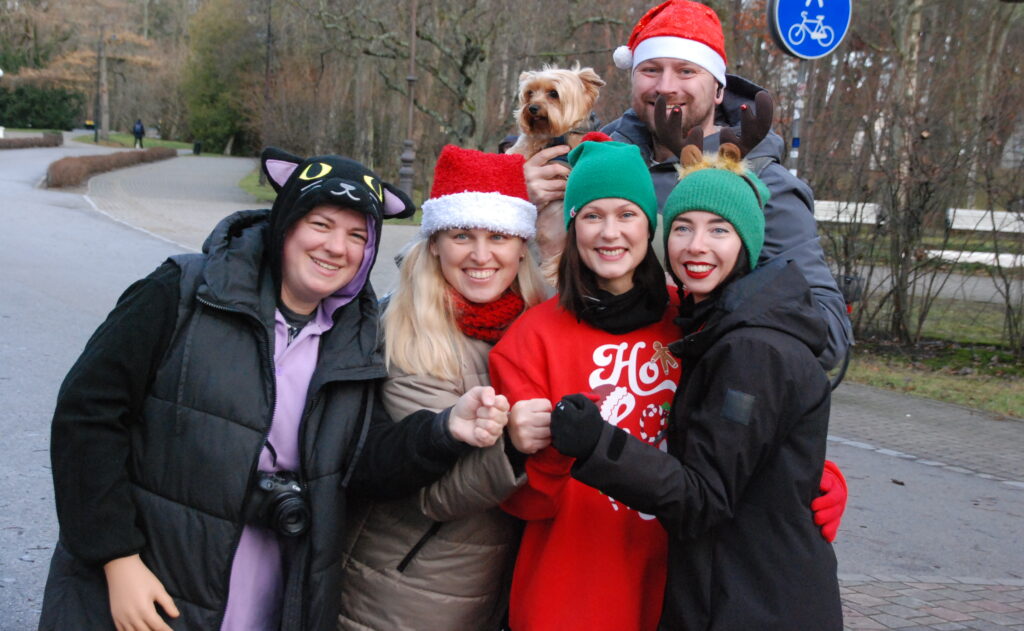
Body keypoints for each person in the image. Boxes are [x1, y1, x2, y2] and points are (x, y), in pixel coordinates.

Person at [39, 147, 509, 631]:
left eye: (357, 235)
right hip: (151, 577)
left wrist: (443, 430)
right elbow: (88, 416)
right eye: (321, 224)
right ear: (285, 222)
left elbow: (361, 463)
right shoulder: (181, 292)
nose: (337, 248)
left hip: (270, 589)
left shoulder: (356, 339)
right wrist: (116, 557)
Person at [549, 148, 843, 630]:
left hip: (751, 604)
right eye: (683, 227)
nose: (696, 246)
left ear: (747, 240)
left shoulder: (750, 349)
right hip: (739, 592)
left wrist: (597, 443)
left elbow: (703, 498)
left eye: (719, 230)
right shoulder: (722, 326)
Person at [522, 0, 851, 369]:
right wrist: (520, 202)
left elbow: (829, 336)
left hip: (697, 390)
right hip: (578, 379)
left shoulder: (762, 182)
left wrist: (709, 304)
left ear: (719, 89)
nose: (665, 87)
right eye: (650, 70)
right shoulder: (589, 160)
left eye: (686, 71)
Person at [337, 145, 547, 629]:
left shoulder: (540, 320)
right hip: (405, 594)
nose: (481, 255)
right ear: (434, 243)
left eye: (498, 236)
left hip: (492, 589)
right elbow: (437, 496)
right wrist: (513, 447)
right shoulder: (408, 331)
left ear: (522, 246)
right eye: (461, 235)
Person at [489, 140, 690, 631]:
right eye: (593, 215)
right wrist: (538, 451)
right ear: (573, 226)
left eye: (627, 214)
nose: (610, 232)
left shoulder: (690, 320)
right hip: (568, 593)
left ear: (649, 225)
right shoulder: (531, 338)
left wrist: (807, 477)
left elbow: (753, 420)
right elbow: (523, 502)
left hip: (677, 588)